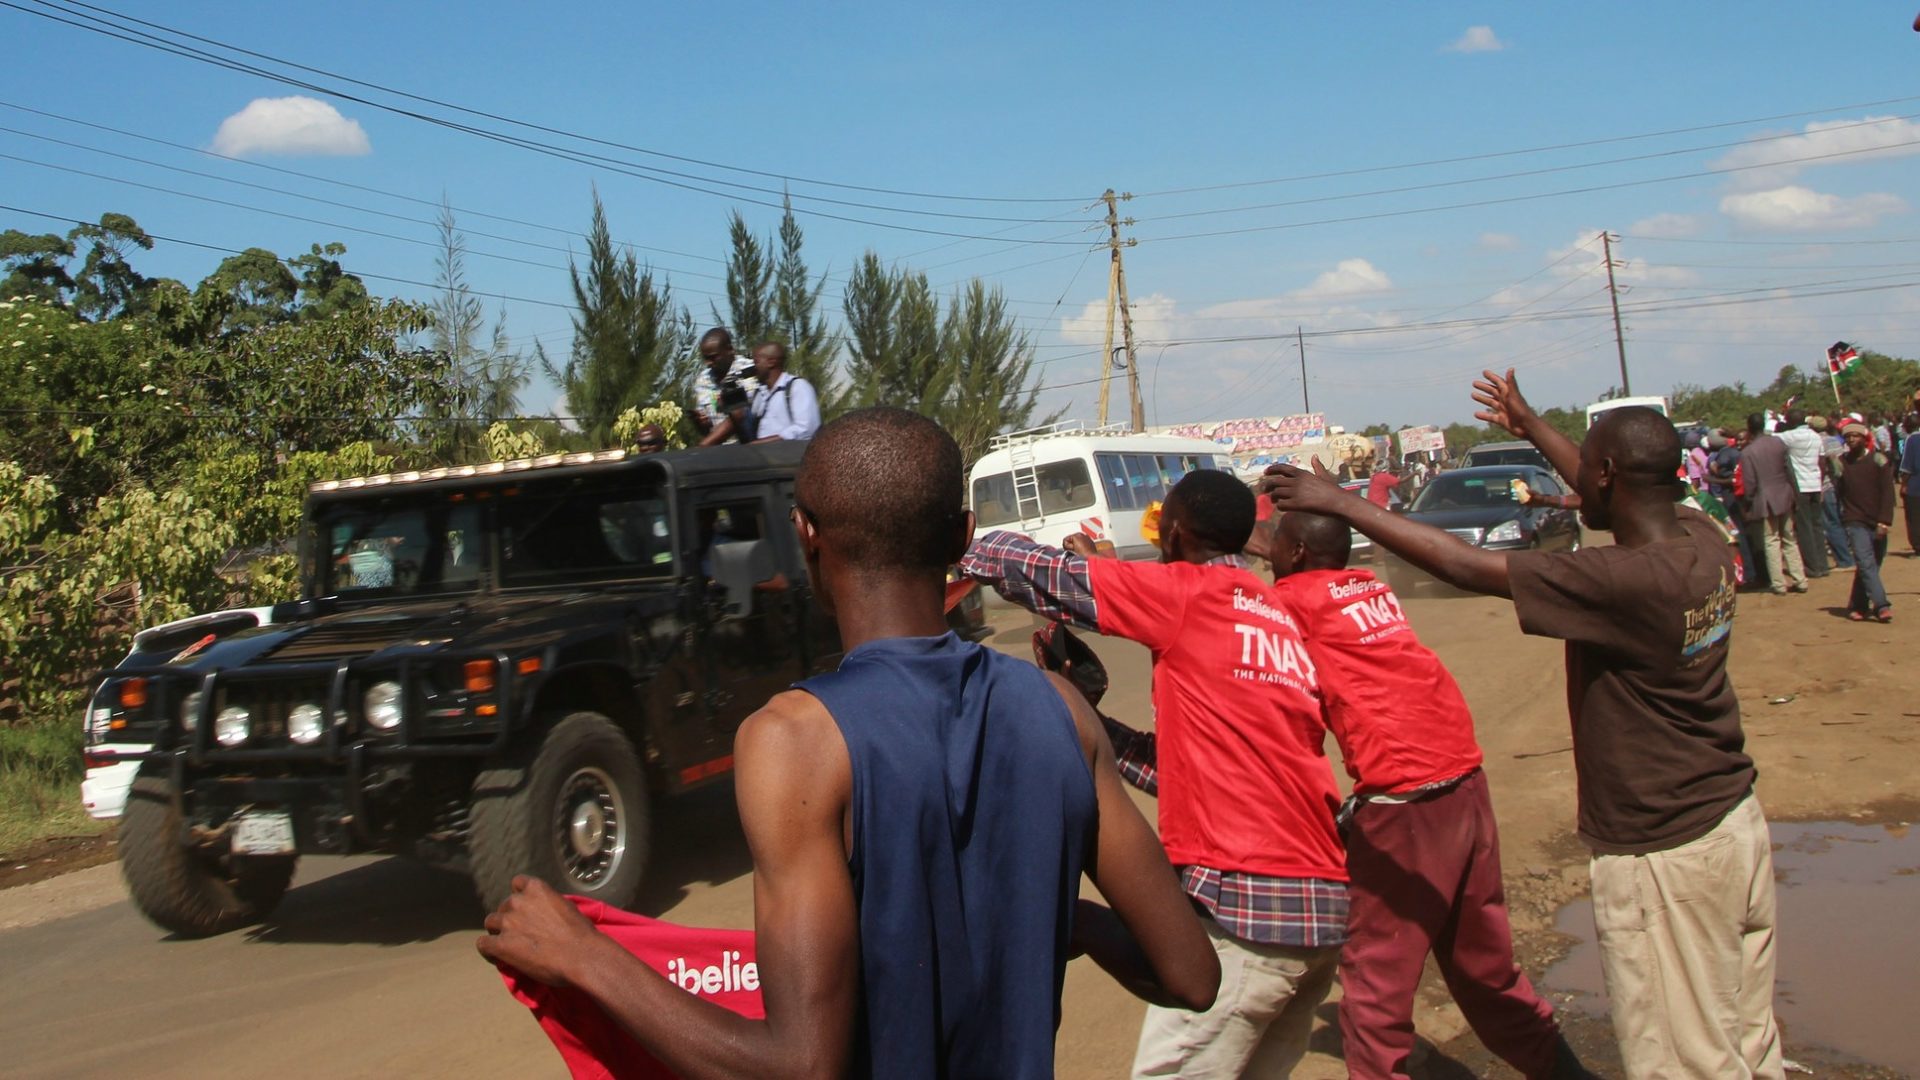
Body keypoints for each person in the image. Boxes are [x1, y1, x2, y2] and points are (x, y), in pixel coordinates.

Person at [478, 408, 1219, 1079]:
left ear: (804, 534)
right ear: (964, 536)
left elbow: (803, 1067)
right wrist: (1073, 918)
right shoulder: (1060, 709)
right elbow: (1192, 975)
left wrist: (586, 958)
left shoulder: (792, 743)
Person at [1263, 370, 1782, 1080]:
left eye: (1585, 465)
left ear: (1603, 475)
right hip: (1732, 821)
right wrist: (1531, 424)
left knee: (1686, 1059)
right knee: (1746, 1039)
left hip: (1669, 853)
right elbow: (1617, 481)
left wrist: (1343, 505)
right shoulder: (1701, 539)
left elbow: (1472, 567)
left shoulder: (1624, 580)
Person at [962, 470, 1349, 1079]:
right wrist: (1090, 723)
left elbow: (1047, 575)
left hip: (1250, 913)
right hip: (1316, 917)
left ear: (1170, 533)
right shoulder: (1268, 611)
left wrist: (951, 539)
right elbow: (1190, 773)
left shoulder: (1189, 592)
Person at [1258, 506, 1580, 1080]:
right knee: (1485, 969)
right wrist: (1275, 541)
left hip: (1405, 804)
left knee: (1375, 985)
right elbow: (1297, 558)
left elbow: (1237, 614)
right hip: (1464, 784)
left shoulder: (1294, 603)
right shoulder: (1367, 588)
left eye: (1278, 546)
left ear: (1297, 555)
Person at [1834, 420, 1896, 622]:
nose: (1851, 439)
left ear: (1864, 438)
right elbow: (1838, 492)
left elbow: (1888, 493)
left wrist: (1884, 521)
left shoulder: (1878, 461)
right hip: (1854, 520)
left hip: (1877, 519)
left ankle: (1857, 604)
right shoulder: (1841, 463)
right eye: (1848, 436)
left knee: (1871, 564)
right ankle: (1881, 605)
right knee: (1865, 562)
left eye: (1856, 436)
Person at [1742, 412, 1806, 594]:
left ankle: (1779, 584)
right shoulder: (1779, 443)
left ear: (1749, 428)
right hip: (1784, 494)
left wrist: (1748, 503)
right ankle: (1800, 580)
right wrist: (1795, 494)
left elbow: (1750, 483)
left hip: (1765, 499)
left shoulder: (1748, 452)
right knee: (1789, 538)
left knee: (1771, 541)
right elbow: (1789, 471)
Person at [1774, 409, 1830, 578]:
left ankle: (1812, 567)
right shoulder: (1816, 436)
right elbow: (1822, 462)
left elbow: (1770, 438)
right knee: (1817, 525)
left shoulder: (1789, 436)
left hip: (1800, 486)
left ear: (1790, 422)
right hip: (1815, 483)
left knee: (1804, 527)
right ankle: (1823, 565)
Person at [692, 328, 757, 447]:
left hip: (750, 447)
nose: (708, 363)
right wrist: (703, 425)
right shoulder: (703, 380)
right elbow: (707, 430)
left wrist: (704, 446)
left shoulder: (749, 371)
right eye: (705, 358)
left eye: (713, 357)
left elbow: (740, 416)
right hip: (719, 451)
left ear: (729, 350)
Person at [745, 341, 821, 443]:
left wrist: (764, 443)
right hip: (763, 456)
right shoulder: (760, 393)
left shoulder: (797, 387)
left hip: (790, 457)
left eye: (756, 362)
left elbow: (807, 429)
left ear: (771, 362)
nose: (753, 368)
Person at [1811, 415, 1856, 571]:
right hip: (1840, 486)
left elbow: (1826, 464)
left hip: (1827, 487)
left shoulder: (1818, 442)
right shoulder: (1835, 440)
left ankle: (1845, 560)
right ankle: (1848, 556)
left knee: (1831, 524)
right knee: (1839, 521)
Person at [1902, 413, 1920, 556]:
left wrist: (1904, 485)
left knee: (1914, 518)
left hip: (1915, 486)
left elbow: (1907, 466)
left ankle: (1918, 546)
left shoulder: (1911, 440)